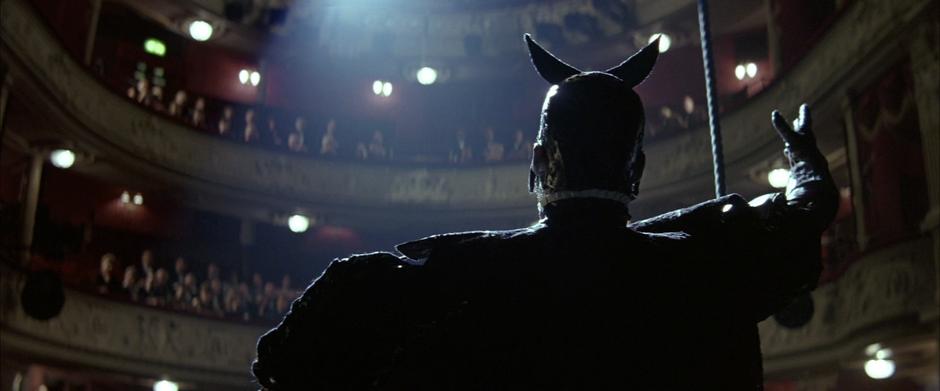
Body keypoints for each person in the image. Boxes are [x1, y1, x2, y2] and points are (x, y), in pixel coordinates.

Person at [253, 35, 838, 389]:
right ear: (636, 171)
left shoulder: (445, 277)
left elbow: (289, 361)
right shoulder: (716, 259)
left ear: (537, 163)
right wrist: (802, 156)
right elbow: (808, 205)